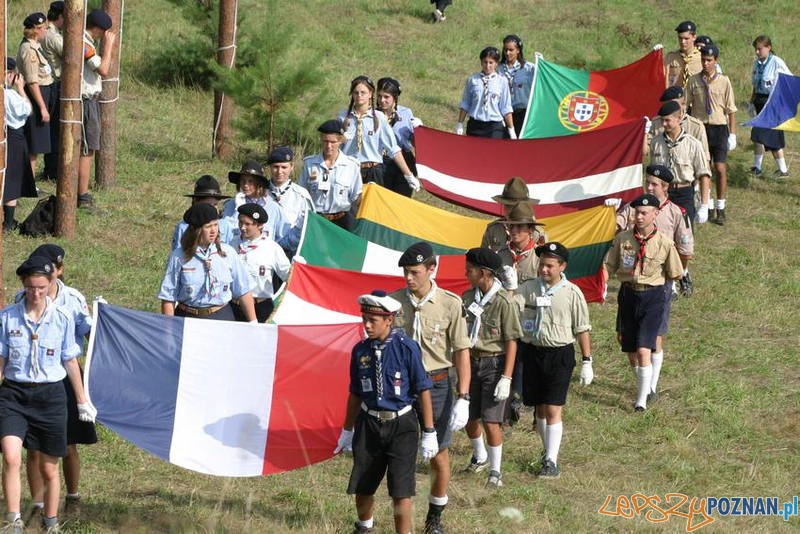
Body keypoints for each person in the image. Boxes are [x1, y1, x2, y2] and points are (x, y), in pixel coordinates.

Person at [0, 256, 96, 534]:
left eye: (41, 287)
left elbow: (69, 361)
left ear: (52, 282)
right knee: (11, 457)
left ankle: (50, 522)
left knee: (50, 468)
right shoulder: (7, 317)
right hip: (14, 395)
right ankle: (13, 520)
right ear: (23, 285)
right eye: (30, 287)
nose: (36, 293)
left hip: (51, 396)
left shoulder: (63, 318)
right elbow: (2, 359)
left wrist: (81, 400)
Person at [335, 290, 436, 534]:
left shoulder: (406, 348)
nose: (367, 326)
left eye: (373, 321)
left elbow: (422, 390)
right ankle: (365, 528)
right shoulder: (360, 351)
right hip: (369, 424)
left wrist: (429, 431)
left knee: (401, 491)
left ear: (389, 320)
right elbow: (355, 393)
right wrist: (347, 430)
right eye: (364, 320)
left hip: (401, 424)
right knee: (363, 485)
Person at [390, 242, 471, 534]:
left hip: (437, 384)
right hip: (402, 388)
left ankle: (435, 516)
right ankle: (403, 521)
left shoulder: (450, 303)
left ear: (431, 270)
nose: (408, 278)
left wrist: (463, 396)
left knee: (439, 453)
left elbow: (461, 350)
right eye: (405, 273)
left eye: (414, 272)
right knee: (402, 454)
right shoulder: (394, 302)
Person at [613, 166, 694, 400]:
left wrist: (676, 274)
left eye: (655, 184)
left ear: (665, 188)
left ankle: (650, 387)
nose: (649, 187)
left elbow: (685, 248)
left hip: (660, 283)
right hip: (632, 281)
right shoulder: (634, 207)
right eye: (648, 182)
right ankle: (643, 378)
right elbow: (617, 229)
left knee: (654, 335)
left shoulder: (676, 213)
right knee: (623, 337)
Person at [516, 242, 593, 479]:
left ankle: (551, 460)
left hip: (559, 354)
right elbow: (512, 309)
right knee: (538, 407)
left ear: (562, 266)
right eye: (542, 265)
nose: (544, 270)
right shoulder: (528, 289)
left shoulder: (571, 293)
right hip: (532, 352)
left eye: (550, 266)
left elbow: (581, 328)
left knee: (552, 407)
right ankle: (547, 449)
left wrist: (587, 361)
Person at [605, 194, 683, 412]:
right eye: (636, 212)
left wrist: (663, 291)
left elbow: (675, 272)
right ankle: (644, 384)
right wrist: (601, 284)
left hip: (653, 296)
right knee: (627, 345)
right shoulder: (624, 239)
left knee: (643, 348)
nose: (639, 217)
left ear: (655, 215)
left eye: (644, 213)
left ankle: (642, 400)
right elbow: (609, 265)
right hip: (628, 293)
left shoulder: (665, 243)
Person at [461, 248, 522, 489]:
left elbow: (512, 341)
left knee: (491, 421)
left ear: (485, 273)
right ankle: (480, 456)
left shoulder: (504, 302)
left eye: (471, 269)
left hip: (494, 364)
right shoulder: (468, 298)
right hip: (471, 361)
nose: (466, 273)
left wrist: (506, 377)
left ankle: (496, 471)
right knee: (467, 416)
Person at [158, 203, 256, 322]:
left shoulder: (228, 253)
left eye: (215, 225)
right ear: (196, 230)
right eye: (208, 226)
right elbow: (168, 296)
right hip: (188, 317)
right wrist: (168, 328)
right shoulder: (179, 257)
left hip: (221, 316)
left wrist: (253, 323)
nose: (213, 230)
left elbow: (244, 290)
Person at [685, 44, 737, 226]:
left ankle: (721, 206)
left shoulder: (724, 81)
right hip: (701, 129)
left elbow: (731, 109)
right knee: (703, 168)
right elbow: (686, 106)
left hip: (719, 128)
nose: (706, 63)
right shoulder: (693, 81)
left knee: (720, 168)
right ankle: (705, 204)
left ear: (716, 61)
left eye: (709, 60)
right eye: (703, 60)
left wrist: (733, 134)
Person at [339, 76, 419, 191]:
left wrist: (409, 175)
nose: (359, 96)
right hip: (350, 169)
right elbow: (333, 145)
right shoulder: (343, 117)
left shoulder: (379, 117)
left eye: (363, 92)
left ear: (370, 94)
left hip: (373, 171)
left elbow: (393, 149)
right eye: (356, 92)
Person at [77, 9, 116, 210]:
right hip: (86, 101)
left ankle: (81, 191)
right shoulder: (85, 44)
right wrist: (108, 46)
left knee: (88, 146)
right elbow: (103, 69)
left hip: (90, 100)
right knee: (87, 147)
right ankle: (81, 195)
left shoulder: (86, 42)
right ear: (100, 30)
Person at [649, 100, 711, 226]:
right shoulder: (656, 143)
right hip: (662, 193)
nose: (664, 124)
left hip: (684, 193)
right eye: (662, 120)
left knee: (684, 236)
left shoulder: (693, 144)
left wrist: (705, 204)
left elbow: (704, 174)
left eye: (667, 120)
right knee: (662, 233)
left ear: (678, 118)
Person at [229, 204, 290, 323]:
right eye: (240, 222)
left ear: (260, 225)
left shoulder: (272, 248)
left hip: (261, 306)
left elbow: (287, 276)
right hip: (235, 306)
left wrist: (297, 269)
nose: (242, 227)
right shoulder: (232, 244)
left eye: (248, 224)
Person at [298, 119, 363, 231]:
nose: (329, 146)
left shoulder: (351, 166)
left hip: (342, 221)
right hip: (317, 219)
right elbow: (301, 194)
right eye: (325, 141)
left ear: (341, 141)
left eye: (333, 142)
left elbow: (357, 197)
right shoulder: (309, 164)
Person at [749, 35, 793, 177]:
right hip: (759, 101)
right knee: (759, 136)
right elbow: (755, 85)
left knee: (765, 135)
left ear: (769, 48)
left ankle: (783, 170)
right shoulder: (757, 64)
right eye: (756, 49)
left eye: (760, 49)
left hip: (772, 103)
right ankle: (757, 167)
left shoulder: (776, 62)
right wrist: (751, 101)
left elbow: (788, 79)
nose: (757, 52)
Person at [17, 12, 53, 181]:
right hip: (35, 96)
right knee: (33, 143)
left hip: (42, 94)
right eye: (43, 27)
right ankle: (29, 182)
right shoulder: (29, 49)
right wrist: (42, 107)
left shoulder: (36, 46)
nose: (46, 30)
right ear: (36, 30)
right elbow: (32, 82)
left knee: (36, 143)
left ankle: (29, 180)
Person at [3, 58, 37, 232]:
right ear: (8, 74)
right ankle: (8, 222)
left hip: (6, 136)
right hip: (14, 138)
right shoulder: (10, 94)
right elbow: (28, 110)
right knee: (13, 179)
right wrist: (21, 89)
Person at [223, 160, 289, 246]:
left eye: (250, 181)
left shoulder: (273, 207)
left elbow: (284, 239)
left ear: (259, 183)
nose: (246, 185)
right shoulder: (231, 205)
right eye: (243, 181)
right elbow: (225, 233)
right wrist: (237, 210)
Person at [375, 77, 421, 197]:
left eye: (386, 97)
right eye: (379, 96)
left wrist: (420, 131)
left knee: (401, 198)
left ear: (395, 97)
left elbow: (414, 142)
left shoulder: (405, 113)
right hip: (381, 161)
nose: (382, 100)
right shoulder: (373, 115)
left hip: (404, 160)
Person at [265, 146, 314, 257]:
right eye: (275, 167)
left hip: (292, 252)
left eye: (284, 167)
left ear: (291, 167)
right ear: (270, 167)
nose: (279, 171)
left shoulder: (301, 195)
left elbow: (309, 226)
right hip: (264, 252)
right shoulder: (260, 193)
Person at [456, 47, 515, 139]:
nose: (488, 66)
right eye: (485, 62)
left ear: (496, 64)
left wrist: (511, 130)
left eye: (491, 63)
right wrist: (460, 123)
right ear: (481, 62)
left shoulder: (502, 82)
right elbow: (466, 103)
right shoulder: (473, 80)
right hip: (475, 125)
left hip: (494, 126)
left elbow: (506, 108)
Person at [646, 86, 710, 166]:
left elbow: (705, 160)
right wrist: (644, 133)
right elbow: (645, 151)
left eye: (672, 105)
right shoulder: (656, 123)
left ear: (683, 103)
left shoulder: (696, 127)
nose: (668, 109)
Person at [481, 177, 544, 253]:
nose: (512, 210)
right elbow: (483, 258)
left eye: (517, 206)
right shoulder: (493, 229)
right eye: (508, 206)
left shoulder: (537, 233)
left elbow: (543, 260)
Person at [172, 175, 234, 250]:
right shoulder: (183, 226)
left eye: (215, 205)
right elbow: (178, 254)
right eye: (208, 205)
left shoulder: (225, 225)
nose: (213, 209)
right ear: (196, 202)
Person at [39, 1, 65, 183]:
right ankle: (52, 170)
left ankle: (51, 168)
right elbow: (72, 53)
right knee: (55, 130)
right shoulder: (53, 37)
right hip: (55, 85)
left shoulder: (51, 33)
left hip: (52, 84)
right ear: (61, 17)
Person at [497, 202, 547, 284]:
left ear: (531, 229)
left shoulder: (538, 257)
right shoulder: (501, 254)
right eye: (511, 226)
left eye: (519, 226)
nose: (513, 230)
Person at [498, 35, 535, 137]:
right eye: (505, 50)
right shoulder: (498, 69)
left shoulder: (529, 69)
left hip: (522, 113)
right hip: (503, 114)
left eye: (511, 50)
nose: (507, 53)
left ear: (518, 50)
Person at [663, 20, 701, 88]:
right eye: (680, 38)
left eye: (686, 38)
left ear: (694, 37)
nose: (683, 42)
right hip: (675, 97)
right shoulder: (670, 58)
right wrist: (655, 58)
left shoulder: (702, 59)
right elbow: (659, 77)